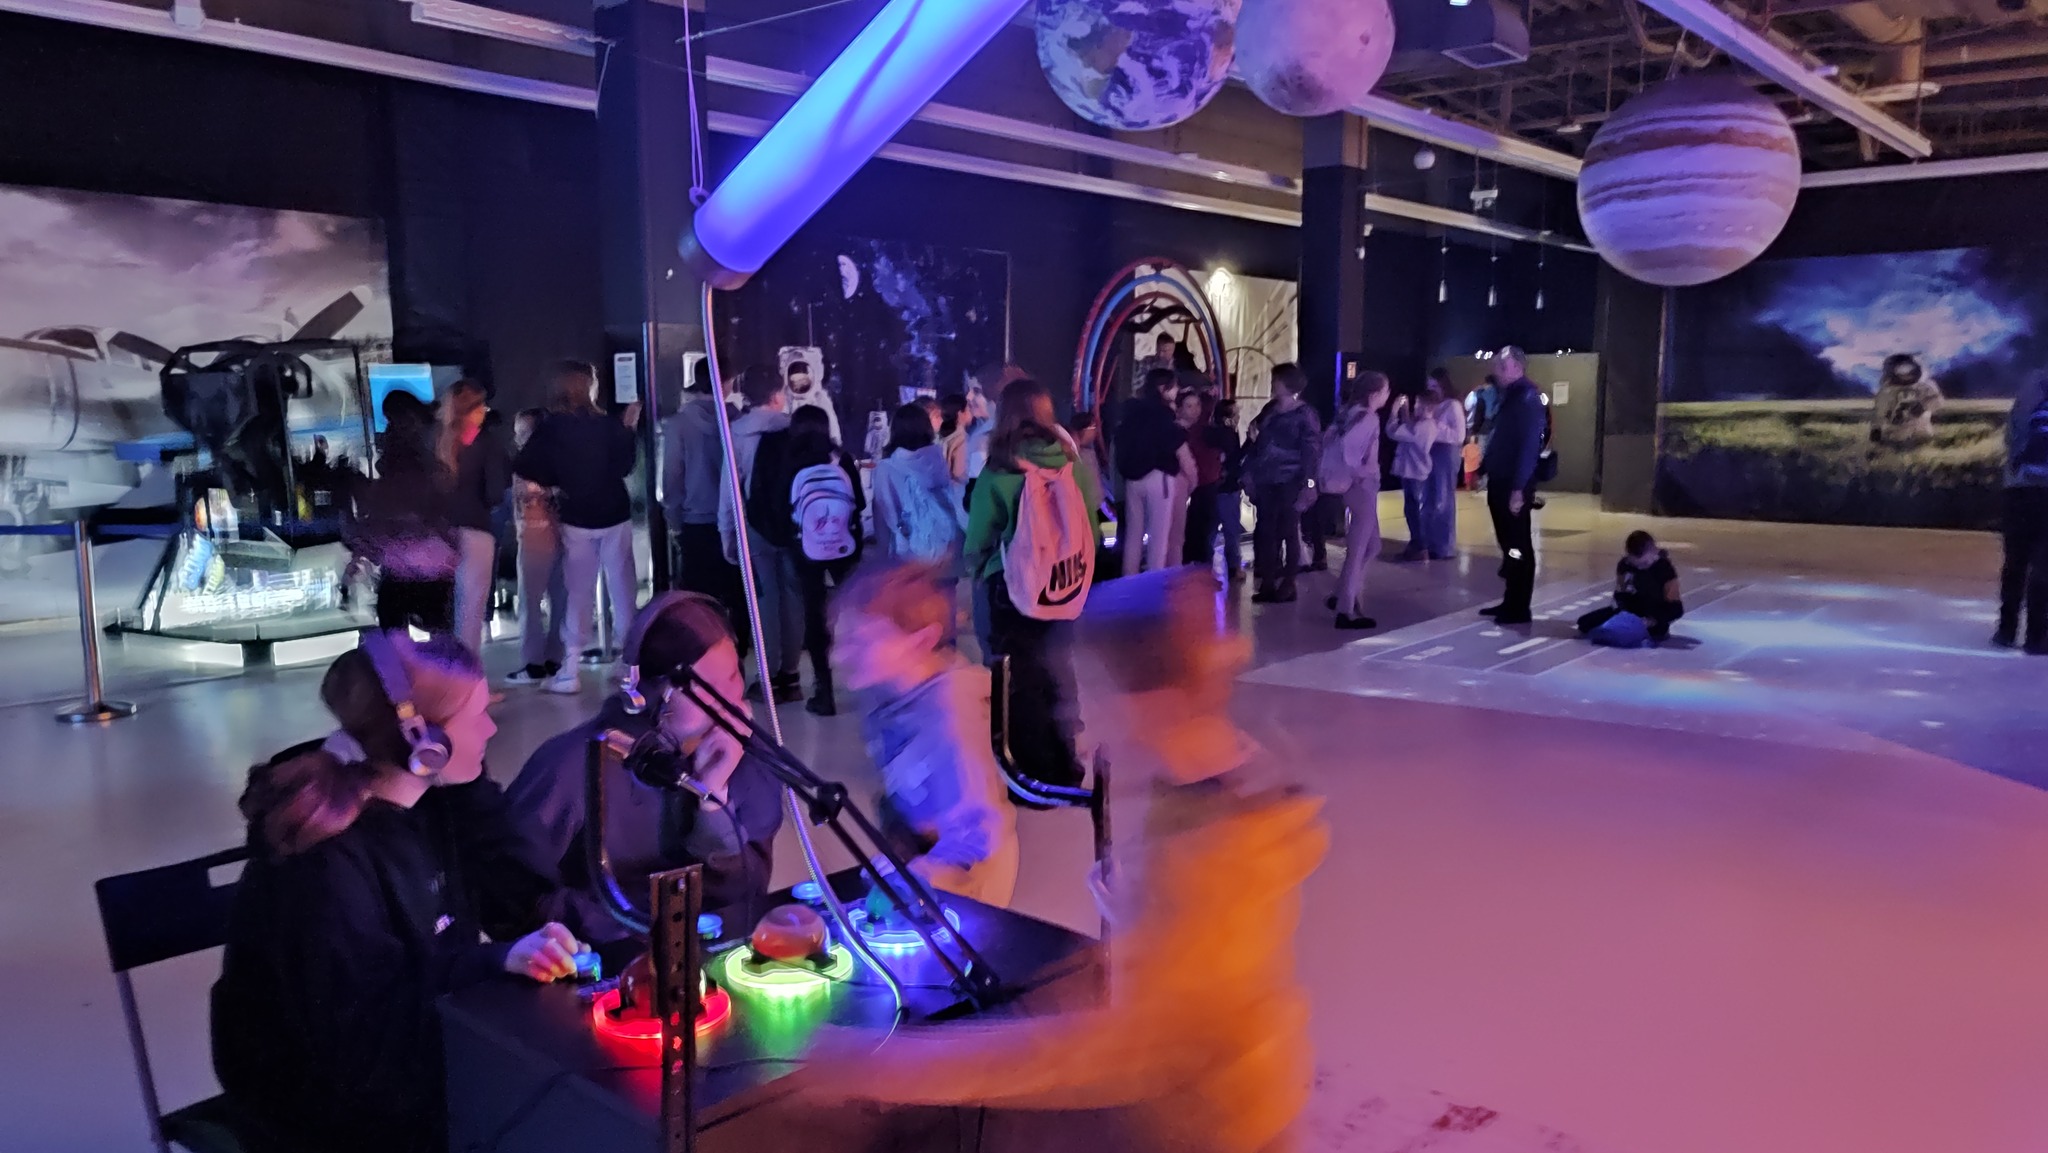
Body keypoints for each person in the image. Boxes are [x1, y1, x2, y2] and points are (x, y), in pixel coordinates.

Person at [802, 568, 1327, 1153]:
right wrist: (1139, 910)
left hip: (1217, 1126)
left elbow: (1128, 1049)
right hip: (1222, 1102)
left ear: (1151, 699)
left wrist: (891, 1067)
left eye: (1088, 689)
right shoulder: (1196, 785)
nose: (1074, 718)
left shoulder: (1206, 849)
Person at [212, 633, 577, 1153]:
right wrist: (489, 964)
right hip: (320, 1111)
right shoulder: (326, 862)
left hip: (405, 1059)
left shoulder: (431, 806)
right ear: (425, 742)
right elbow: (361, 1040)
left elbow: (525, 898)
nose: (492, 729)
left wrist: (472, 788)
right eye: (477, 716)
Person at [504, 592, 783, 948]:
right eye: (707, 691)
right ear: (648, 696)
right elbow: (509, 901)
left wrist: (714, 803)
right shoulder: (571, 767)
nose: (728, 702)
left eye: (732, 677)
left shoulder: (744, 755)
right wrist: (623, 926)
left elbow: (748, 895)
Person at [836, 560, 1019, 906]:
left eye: (859, 642)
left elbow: (978, 831)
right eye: (841, 639)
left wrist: (923, 873)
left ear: (921, 641)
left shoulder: (950, 718)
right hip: (925, 850)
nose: (840, 654)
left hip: (970, 876)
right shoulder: (885, 691)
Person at [964, 377, 1102, 789]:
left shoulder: (999, 469)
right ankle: (1066, 762)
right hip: (1064, 584)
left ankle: (1029, 773)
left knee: (1016, 678)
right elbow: (1091, 526)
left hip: (1013, 588)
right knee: (1058, 666)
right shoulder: (1071, 461)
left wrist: (977, 569)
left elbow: (979, 538)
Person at [514, 361, 641, 694]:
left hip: (576, 517)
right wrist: (628, 429)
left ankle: (570, 669)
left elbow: (526, 465)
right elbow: (625, 466)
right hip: (615, 512)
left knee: (578, 592)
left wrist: (558, 483)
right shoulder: (607, 425)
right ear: (588, 386)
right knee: (623, 588)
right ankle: (631, 665)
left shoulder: (551, 429)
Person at [718, 365, 805, 703]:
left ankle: (768, 677)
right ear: (777, 394)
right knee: (793, 596)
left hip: (755, 526)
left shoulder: (737, 432)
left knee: (764, 600)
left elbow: (730, 490)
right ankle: (792, 675)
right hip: (792, 525)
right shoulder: (793, 428)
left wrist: (727, 533)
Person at [348, 391, 459, 634]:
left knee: (395, 628)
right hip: (430, 563)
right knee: (437, 631)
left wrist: (363, 550)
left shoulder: (400, 470)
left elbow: (382, 514)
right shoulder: (430, 462)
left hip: (404, 565)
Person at [784, 404, 867, 715]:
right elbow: (858, 502)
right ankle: (867, 677)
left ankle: (824, 689)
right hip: (843, 544)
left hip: (805, 547)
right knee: (853, 607)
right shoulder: (840, 459)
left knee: (813, 612)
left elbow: (781, 506)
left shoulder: (789, 459)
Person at [437, 380, 511, 655]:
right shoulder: (485, 444)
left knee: (447, 606)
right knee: (471, 608)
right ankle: (469, 673)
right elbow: (494, 493)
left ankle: (447, 669)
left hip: (441, 532)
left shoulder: (436, 441)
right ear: (474, 409)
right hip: (476, 528)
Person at [663, 359, 739, 612]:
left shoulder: (679, 424)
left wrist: (674, 520)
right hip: (735, 521)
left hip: (695, 520)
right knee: (737, 596)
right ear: (727, 383)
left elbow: (673, 476)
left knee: (699, 599)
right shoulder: (737, 420)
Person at [1479, 347, 1546, 625]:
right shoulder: (1512, 396)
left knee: (1517, 545)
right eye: (1496, 366)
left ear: (1518, 367)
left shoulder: (1527, 398)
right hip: (1502, 479)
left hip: (1512, 483)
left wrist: (1519, 487)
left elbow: (1529, 445)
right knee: (1509, 544)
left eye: (1502, 366)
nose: (1497, 371)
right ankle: (1511, 600)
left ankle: (1519, 606)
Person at [1245, 364, 1322, 605]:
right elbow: (1255, 436)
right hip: (1266, 477)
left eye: (1276, 380)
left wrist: (1309, 482)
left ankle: (1289, 583)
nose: (1273, 383)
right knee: (1267, 531)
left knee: (1289, 531)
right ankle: (1268, 582)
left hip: (1291, 479)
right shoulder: (1270, 409)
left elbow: (1311, 451)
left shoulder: (1305, 413)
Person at [503, 408, 568, 686]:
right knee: (560, 599)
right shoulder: (562, 460)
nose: (518, 438)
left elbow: (521, 497)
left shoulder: (524, 465)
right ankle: (556, 657)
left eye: (523, 432)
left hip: (533, 535)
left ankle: (533, 663)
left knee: (530, 601)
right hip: (562, 533)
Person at [872, 402, 965, 584]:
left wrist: (882, 561)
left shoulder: (886, 468)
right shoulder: (937, 459)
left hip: (908, 558)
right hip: (944, 553)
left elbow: (883, 518)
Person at [1325, 372, 1390, 630]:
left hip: (1351, 485)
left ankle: (1340, 594)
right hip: (1362, 486)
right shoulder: (1368, 418)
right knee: (1359, 548)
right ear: (1375, 394)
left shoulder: (1347, 413)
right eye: (1386, 390)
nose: (1388, 395)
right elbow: (1350, 451)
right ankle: (1347, 609)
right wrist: (1365, 471)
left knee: (1372, 545)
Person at [1115, 367, 1190, 576]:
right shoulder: (1163, 416)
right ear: (1162, 388)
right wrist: (1191, 478)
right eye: (1173, 387)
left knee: (1133, 535)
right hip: (1159, 477)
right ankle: (1154, 583)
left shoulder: (1132, 413)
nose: (1177, 390)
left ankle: (1129, 580)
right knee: (1159, 536)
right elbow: (1178, 447)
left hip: (1132, 478)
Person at [1997, 373, 2048, 653]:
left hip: (2018, 489)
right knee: (2043, 565)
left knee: (2016, 562)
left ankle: (2006, 630)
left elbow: (2011, 437)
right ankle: (2037, 637)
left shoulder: (2030, 388)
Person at [1578, 531, 1685, 644]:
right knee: (1584, 623)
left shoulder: (1664, 569)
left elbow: (1676, 609)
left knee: (1639, 633)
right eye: (1636, 564)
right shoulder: (1625, 565)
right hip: (1629, 613)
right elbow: (1621, 595)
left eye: (1645, 563)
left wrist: (1652, 620)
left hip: (1653, 616)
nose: (1640, 568)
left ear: (1653, 552)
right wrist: (1622, 612)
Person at [1388, 386, 1441, 563]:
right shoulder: (1425, 425)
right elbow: (1409, 428)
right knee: (1412, 508)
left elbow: (1394, 431)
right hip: (1414, 471)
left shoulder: (1424, 426)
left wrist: (1394, 411)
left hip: (1414, 471)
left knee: (1413, 510)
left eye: (1418, 404)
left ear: (1427, 407)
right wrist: (1405, 411)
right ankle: (1417, 545)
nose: (1415, 407)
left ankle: (1419, 546)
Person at [1423, 371, 1467, 559]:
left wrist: (1434, 425)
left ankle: (1444, 546)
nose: (1432, 390)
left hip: (1446, 452)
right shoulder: (1432, 405)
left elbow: (1459, 435)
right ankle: (1430, 542)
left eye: (1435, 386)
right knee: (1430, 498)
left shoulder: (1452, 405)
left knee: (1443, 498)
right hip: (1431, 451)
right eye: (1429, 386)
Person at [1179, 390, 1225, 569]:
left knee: (1202, 529)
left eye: (1197, 405)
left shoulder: (1204, 429)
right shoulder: (1181, 430)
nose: (1195, 410)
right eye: (1189, 406)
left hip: (1205, 484)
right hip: (1187, 486)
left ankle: (1199, 568)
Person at [1871, 353, 1944, 452]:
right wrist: (1876, 428)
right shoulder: (1887, 391)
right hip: (1895, 434)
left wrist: (1923, 406)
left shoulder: (1924, 387)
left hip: (1921, 431)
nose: (1905, 375)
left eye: (1908, 370)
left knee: (1921, 447)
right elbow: (1880, 412)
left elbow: (1938, 401)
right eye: (1900, 371)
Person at [1211, 398, 1247, 581]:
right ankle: (1234, 566)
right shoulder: (1228, 434)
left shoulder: (1211, 432)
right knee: (1231, 528)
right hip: (1228, 487)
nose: (1239, 416)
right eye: (1236, 412)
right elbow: (1234, 460)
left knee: (1210, 529)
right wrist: (1250, 442)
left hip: (1212, 486)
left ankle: (1203, 566)